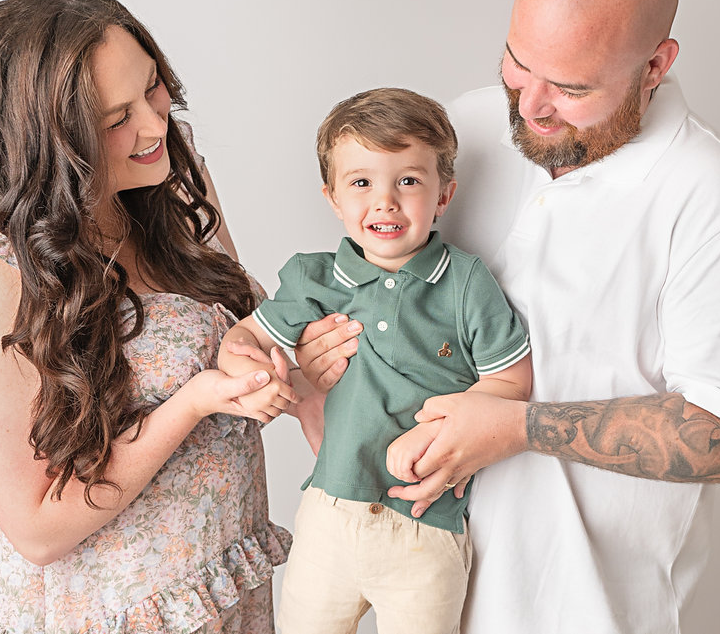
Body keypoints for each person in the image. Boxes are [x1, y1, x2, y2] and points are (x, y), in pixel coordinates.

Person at [299, 0, 720, 633]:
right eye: (516, 63)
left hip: (576, 613)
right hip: (413, 592)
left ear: (654, 66)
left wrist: (520, 427)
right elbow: (388, 301)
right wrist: (329, 359)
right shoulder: (459, 132)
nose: (529, 106)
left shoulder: (715, 202)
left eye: (570, 87)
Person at [0, 0, 313, 634]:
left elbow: (238, 330)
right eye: (115, 120)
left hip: (214, 591)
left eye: (153, 86)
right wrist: (193, 401)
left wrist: (298, 371)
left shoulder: (165, 175)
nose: (155, 125)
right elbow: (37, 527)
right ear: (46, 143)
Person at [216, 88, 532, 634]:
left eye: (408, 180)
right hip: (329, 515)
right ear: (333, 198)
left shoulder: (466, 283)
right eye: (361, 182)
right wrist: (253, 371)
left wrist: (442, 429)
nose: (385, 201)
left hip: (425, 525)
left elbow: (511, 381)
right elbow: (242, 338)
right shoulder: (314, 279)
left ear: (444, 195)